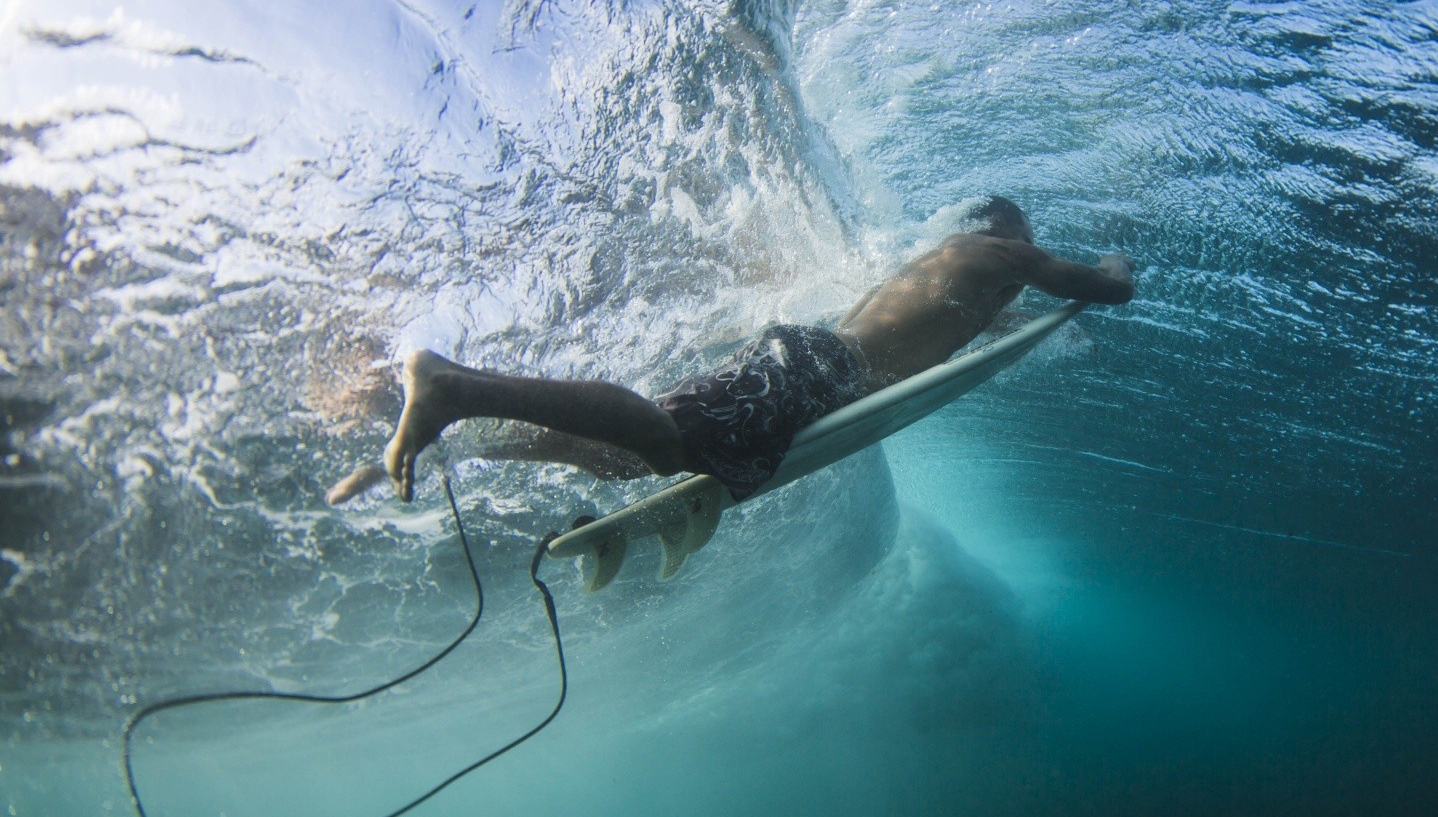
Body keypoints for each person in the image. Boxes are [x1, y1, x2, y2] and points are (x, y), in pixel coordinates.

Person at [327, 196, 1135, 506]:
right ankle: (457, 389)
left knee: (625, 460)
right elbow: (1106, 284)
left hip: (809, 365)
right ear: (1012, 234)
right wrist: (1120, 259)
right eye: (1028, 248)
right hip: (820, 372)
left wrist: (1013, 327)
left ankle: (458, 452)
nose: (1029, 266)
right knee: (658, 439)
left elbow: (960, 329)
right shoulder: (1004, 256)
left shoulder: (956, 270)